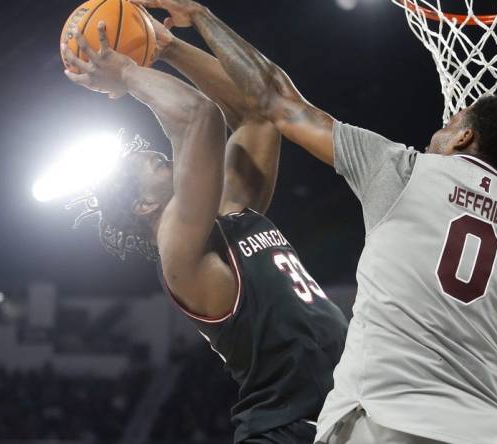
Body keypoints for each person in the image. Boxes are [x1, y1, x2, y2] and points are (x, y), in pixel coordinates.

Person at [131, 2, 497, 443]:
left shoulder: (405, 170)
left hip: (385, 421)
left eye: (447, 126)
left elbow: (272, 100)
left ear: (463, 137)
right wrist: (461, 368)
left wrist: (200, 18)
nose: (435, 136)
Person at [62, 21, 348, 444]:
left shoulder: (231, 211)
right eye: (159, 165)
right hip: (284, 431)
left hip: (342, 416)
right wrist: (126, 73)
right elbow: (198, 115)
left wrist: (168, 47)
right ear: (144, 205)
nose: (171, 161)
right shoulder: (179, 254)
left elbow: (257, 114)